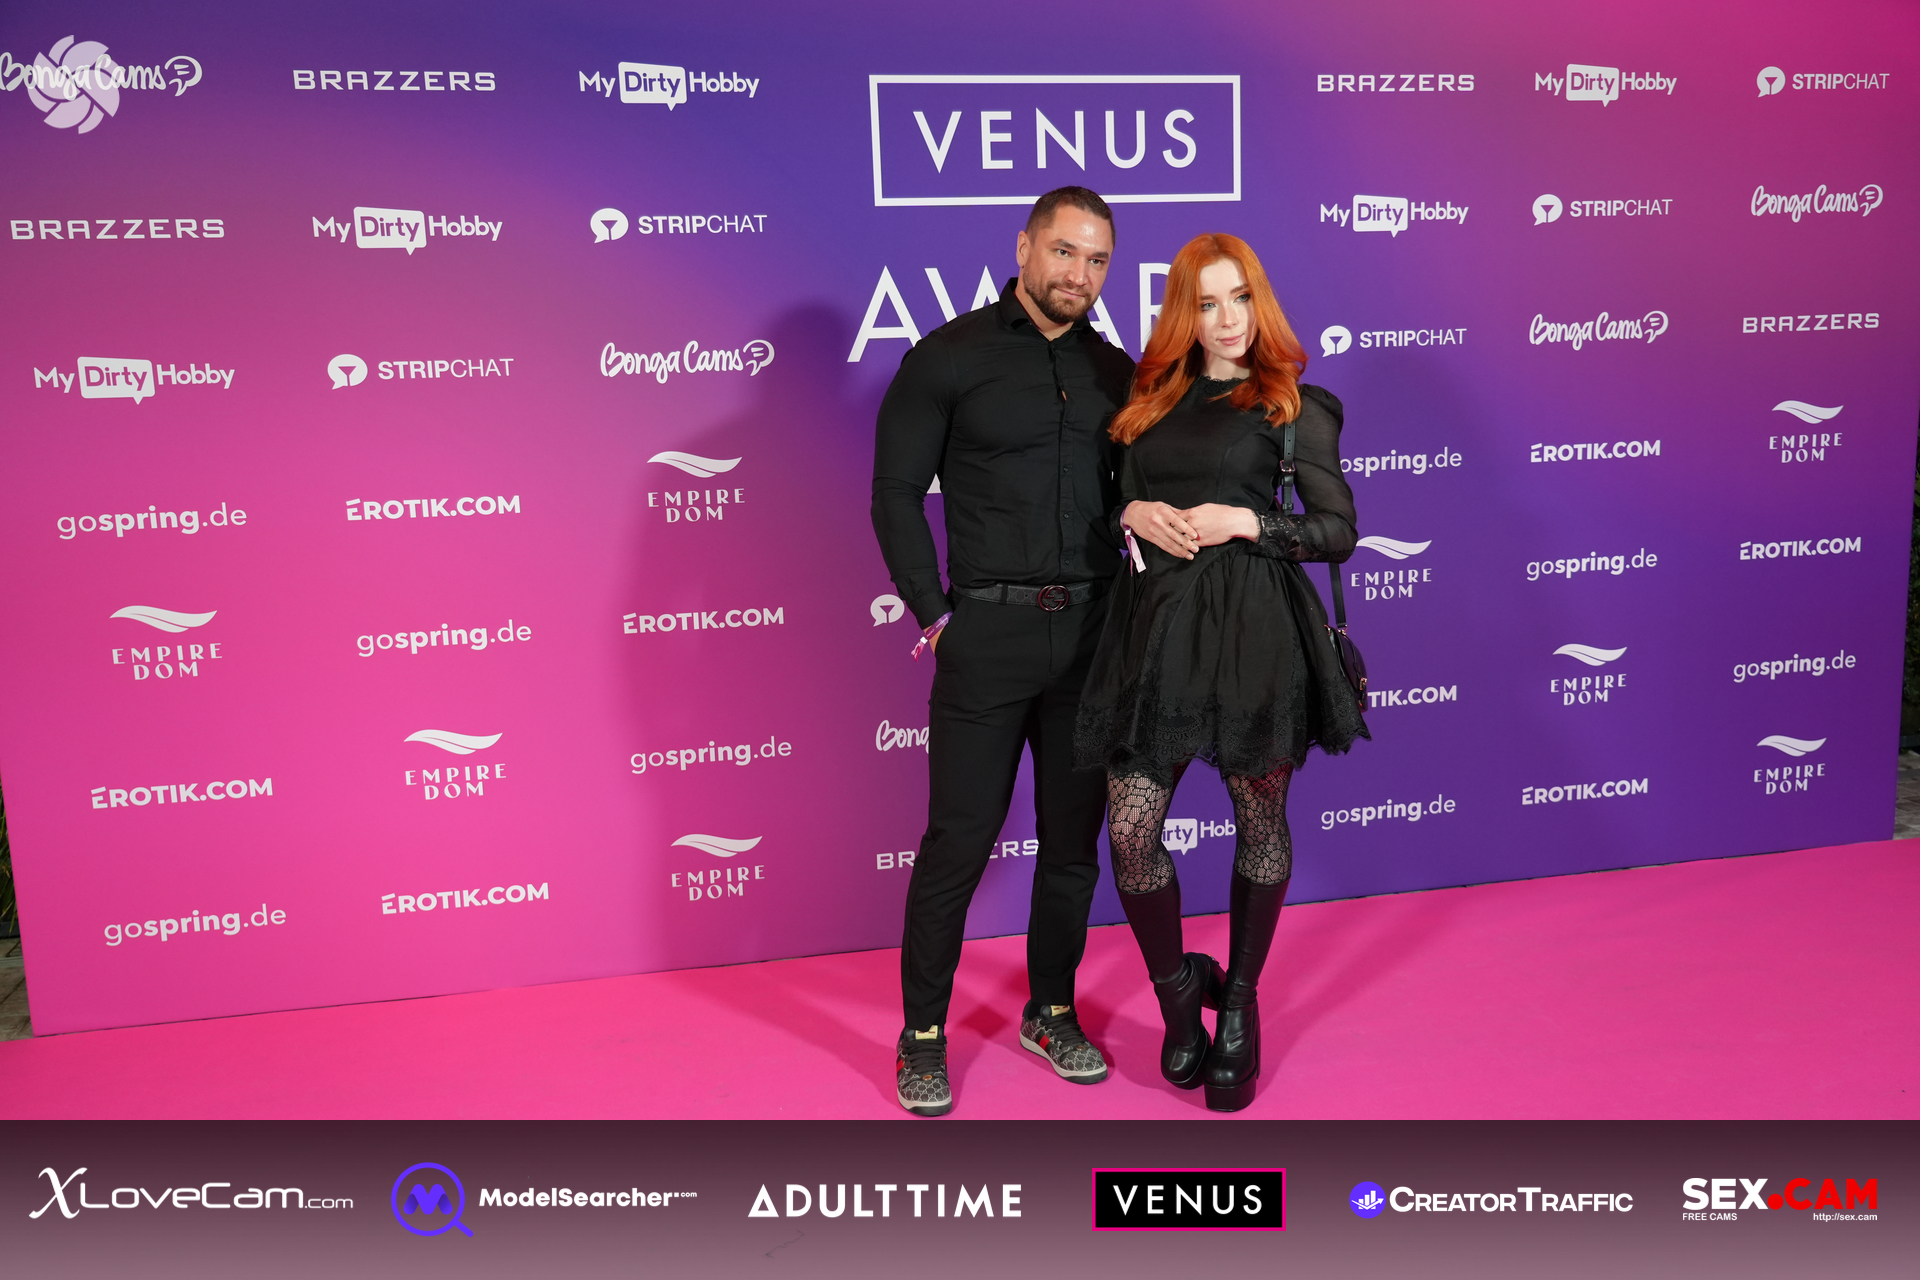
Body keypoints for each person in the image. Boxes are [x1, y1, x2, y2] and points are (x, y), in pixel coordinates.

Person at [1073, 233, 1368, 1112]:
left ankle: (1238, 999)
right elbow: (1107, 507)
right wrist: (1131, 510)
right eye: (1207, 303)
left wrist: (1246, 523)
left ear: (1259, 300)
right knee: (1131, 829)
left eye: (1240, 297)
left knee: (1260, 822)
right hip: (1154, 630)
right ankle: (1178, 997)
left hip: (1253, 633)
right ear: (1184, 314)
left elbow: (1338, 531)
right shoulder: (1146, 402)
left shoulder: (1294, 404)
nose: (1228, 318)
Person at [872, 187, 1135, 1116]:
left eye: (1097, 260)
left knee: (1072, 847)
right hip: (986, 637)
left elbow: (1138, 497)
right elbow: (895, 494)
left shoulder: (1118, 372)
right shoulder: (947, 357)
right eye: (1065, 251)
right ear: (1024, 247)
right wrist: (934, 614)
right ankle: (922, 1034)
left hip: (1094, 637)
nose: (1079, 274)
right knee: (958, 842)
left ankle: (1051, 1011)